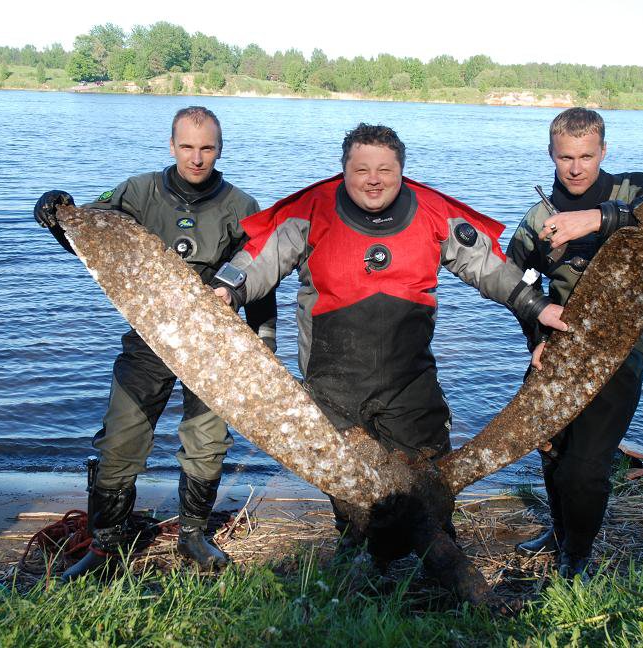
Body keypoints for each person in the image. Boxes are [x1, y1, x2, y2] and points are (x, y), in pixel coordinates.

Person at [214, 123, 565, 557]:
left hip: (409, 382)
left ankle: (436, 560)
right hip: (331, 381)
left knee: (429, 479)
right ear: (344, 170)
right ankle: (356, 556)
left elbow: (488, 267)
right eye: (361, 169)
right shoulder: (311, 208)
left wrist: (538, 308)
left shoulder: (432, 210)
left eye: (385, 169)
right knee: (347, 486)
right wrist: (227, 289)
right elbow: (257, 258)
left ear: (402, 170)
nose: (373, 179)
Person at [34, 106, 277, 578]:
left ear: (219, 149)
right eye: (187, 147)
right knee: (120, 439)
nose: (196, 158)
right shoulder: (138, 191)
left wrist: (263, 346)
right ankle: (105, 546)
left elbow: (262, 281)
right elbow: (91, 237)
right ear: (172, 146)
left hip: (213, 346)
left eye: (206, 148)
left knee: (207, 443)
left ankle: (193, 536)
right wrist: (57, 214)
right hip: (149, 338)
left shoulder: (242, 206)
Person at [507, 107, 643, 579]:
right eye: (566, 157)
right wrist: (537, 334)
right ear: (551, 154)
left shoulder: (635, 189)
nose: (576, 168)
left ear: (603, 151)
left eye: (586, 156)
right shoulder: (537, 219)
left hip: (620, 349)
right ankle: (560, 531)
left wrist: (595, 219)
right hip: (559, 346)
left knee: (586, 465)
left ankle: (577, 556)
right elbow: (517, 283)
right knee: (548, 446)